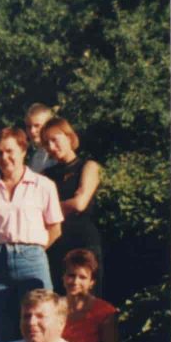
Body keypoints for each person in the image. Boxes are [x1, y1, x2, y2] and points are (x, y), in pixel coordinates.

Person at [0, 127, 63, 342]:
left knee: (42, 323)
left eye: (9, 151)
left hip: (32, 260)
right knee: (3, 329)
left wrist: (31, 251)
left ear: (23, 151)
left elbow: (55, 228)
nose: (4, 158)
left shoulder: (43, 185)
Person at [42, 118, 103, 294]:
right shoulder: (45, 175)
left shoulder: (88, 166)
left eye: (55, 140)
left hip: (83, 243)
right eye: (47, 143)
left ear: (69, 137)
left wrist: (51, 209)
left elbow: (80, 203)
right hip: (55, 244)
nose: (51, 147)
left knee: (86, 299)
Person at [24, 103, 56, 174]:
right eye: (28, 126)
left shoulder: (57, 153)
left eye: (37, 126)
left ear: (49, 125)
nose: (32, 131)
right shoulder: (30, 154)